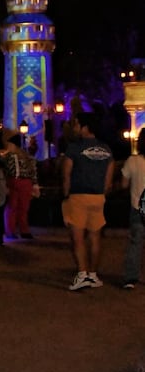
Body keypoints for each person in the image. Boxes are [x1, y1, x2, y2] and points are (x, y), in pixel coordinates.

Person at [61, 111, 116, 291]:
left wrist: (65, 194)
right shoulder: (106, 149)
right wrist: (102, 193)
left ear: (85, 127)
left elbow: (66, 174)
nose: (75, 128)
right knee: (95, 236)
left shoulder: (74, 148)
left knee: (77, 238)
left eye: (77, 124)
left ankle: (82, 274)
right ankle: (93, 274)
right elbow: (108, 180)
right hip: (98, 198)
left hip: (78, 196)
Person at [119, 128, 145, 289]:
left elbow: (123, 184)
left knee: (136, 243)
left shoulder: (133, 161)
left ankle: (131, 278)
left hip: (137, 207)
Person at [2, 132, 39, 239]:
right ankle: (11, 230)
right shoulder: (7, 157)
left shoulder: (27, 157)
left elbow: (33, 171)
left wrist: (35, 184)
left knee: (23, 207)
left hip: (25, 182)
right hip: (13, 181)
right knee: (13, 206)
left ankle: (23, 230)